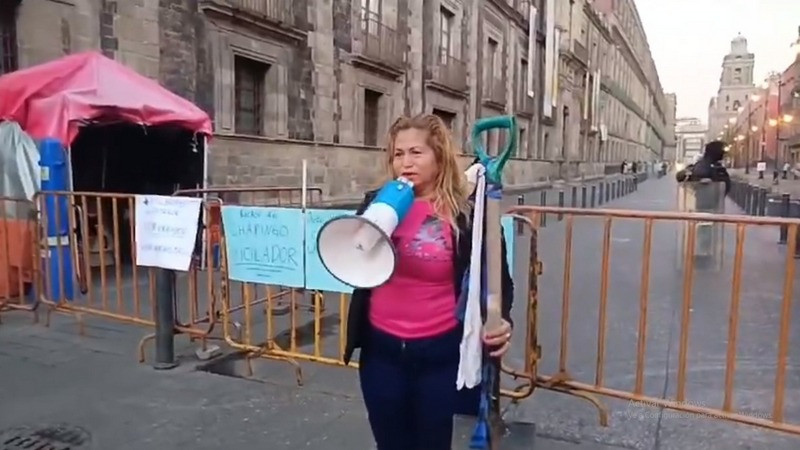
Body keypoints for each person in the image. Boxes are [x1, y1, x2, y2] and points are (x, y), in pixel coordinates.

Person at [343, 114, 515, 450]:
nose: (405, 162)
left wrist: (501, 318)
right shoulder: (376, 203)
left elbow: (498, 279)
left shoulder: (468, 213)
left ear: (439, 156)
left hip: (444, 356)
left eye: (416, 153)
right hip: (383, 353)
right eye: (398, 154)